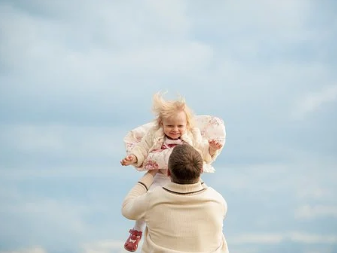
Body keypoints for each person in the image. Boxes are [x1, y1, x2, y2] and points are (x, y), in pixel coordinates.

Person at [120, 92, 224, 252]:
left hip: (180, 177)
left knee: (145, 203)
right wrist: (133, 157)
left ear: (187, 124)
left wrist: (211, 148)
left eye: (180, 126)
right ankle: (137, 230)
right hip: (161, 177)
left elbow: (202, 153)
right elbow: (142, 149)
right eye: (170, 126)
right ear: (161, 124)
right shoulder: (218, 201)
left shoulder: (192, 135)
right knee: (145, 202)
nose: (175, 130)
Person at [122, 144, 229, 253]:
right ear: (201, 170)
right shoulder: (217, 201)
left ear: (168, 172)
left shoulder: (153, 199)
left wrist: (151, 172)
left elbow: (127, 208)